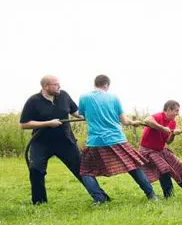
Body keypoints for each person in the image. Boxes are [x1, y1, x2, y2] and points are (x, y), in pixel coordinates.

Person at [19, 75, 105, 204]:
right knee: (36, 170)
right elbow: (24, 124)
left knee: (81, 168)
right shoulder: (33, 101)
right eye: (56, 84)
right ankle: (39, 202)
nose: (59, 86)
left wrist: (92, 116)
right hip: (41, 142)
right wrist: (48, 123)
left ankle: (101, 197)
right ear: (46, 86)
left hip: (65, 141)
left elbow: (76, 112)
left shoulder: (64, 95)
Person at [78, 75, 156, 203]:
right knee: (134, 166)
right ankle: (151, 195)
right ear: (106, 85)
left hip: (95, 140)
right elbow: (124, 120)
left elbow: (81, 114)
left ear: (95, 84)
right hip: (117, 138)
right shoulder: (113, 97)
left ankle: (99, 199)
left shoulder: (84, 97)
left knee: (86, 171)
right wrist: (133, 122)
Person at [140, 100, 182, 198]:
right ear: (169, 109)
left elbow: (168, 141)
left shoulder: (172, 123)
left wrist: (173, 134)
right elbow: (147, 120)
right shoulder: (158, 116)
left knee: (180, 166)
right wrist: (162, 128)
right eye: (176, 111)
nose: (178, 113)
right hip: (148, 150)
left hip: (161, 150)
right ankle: (169, 196)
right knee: (164, 169)